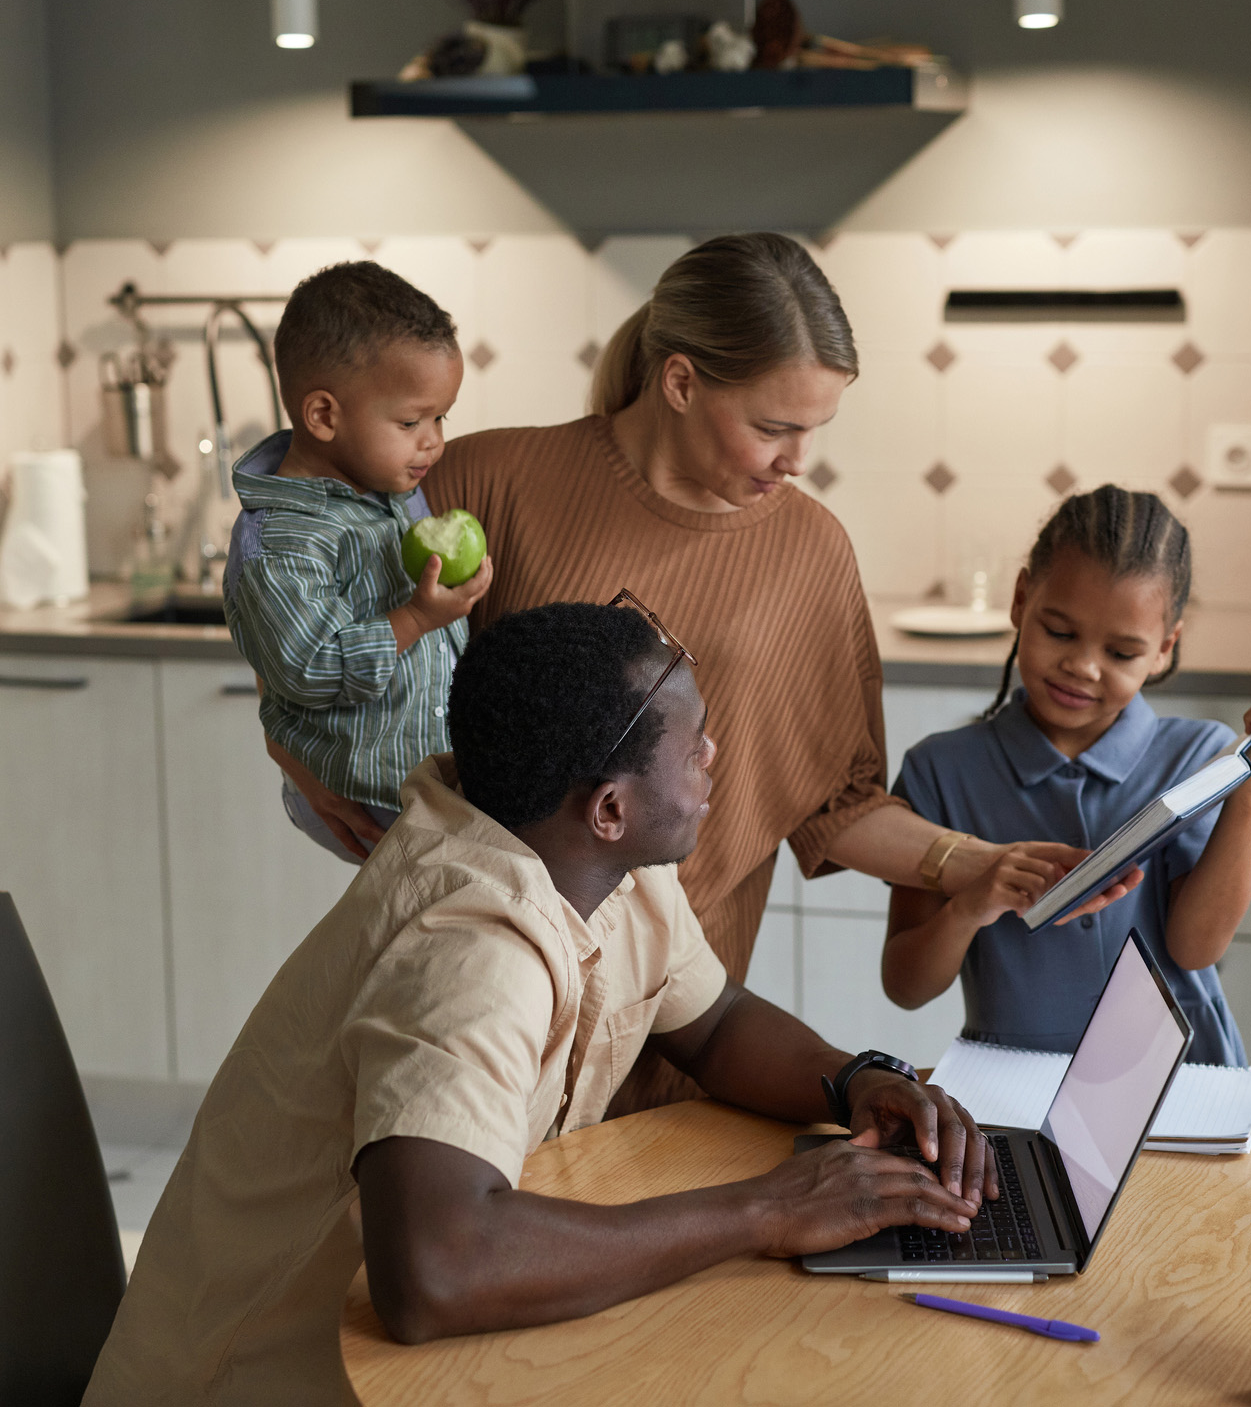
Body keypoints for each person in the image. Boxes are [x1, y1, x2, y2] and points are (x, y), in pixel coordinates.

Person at [269, 232, 1134, 1112]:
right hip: (477, 984)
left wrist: (986, 866)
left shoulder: (810, 551)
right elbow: (310, 626)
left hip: (687, 1016)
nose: (797, 461)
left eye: (812, 430)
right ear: (679, 382)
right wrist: (290, 749)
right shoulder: (487, 479)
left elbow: (833, 807)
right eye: (773, 427)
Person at [83, 600, 996, 1406]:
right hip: (254, 1381)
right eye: (693, 744)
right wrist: (765, 1211)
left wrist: (857, 1079)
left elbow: (714, 1025)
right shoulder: (471, 948)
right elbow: (436, 1271)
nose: (715, 756)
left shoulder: (594, 862)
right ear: (609, 808)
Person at [882, 485, 1251, 1065]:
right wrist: (972, 901)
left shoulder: (1200, 757)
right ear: (1020, 599)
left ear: (1164, 649)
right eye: (1060, 632)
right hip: (1015, 1085)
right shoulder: (939, 769)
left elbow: (1195, 949)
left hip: (1182, 1079)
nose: (1082, 667)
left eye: (1121, 653)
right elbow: (906, 986)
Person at [223, 260, 494, 861]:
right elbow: (310, 666)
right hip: (369, 796)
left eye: (440, 417)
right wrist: (418, 619)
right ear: (324, 416)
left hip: (420, 781)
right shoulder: (282, 546)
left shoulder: (386, 482)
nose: (435, 442)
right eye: (411, 421)